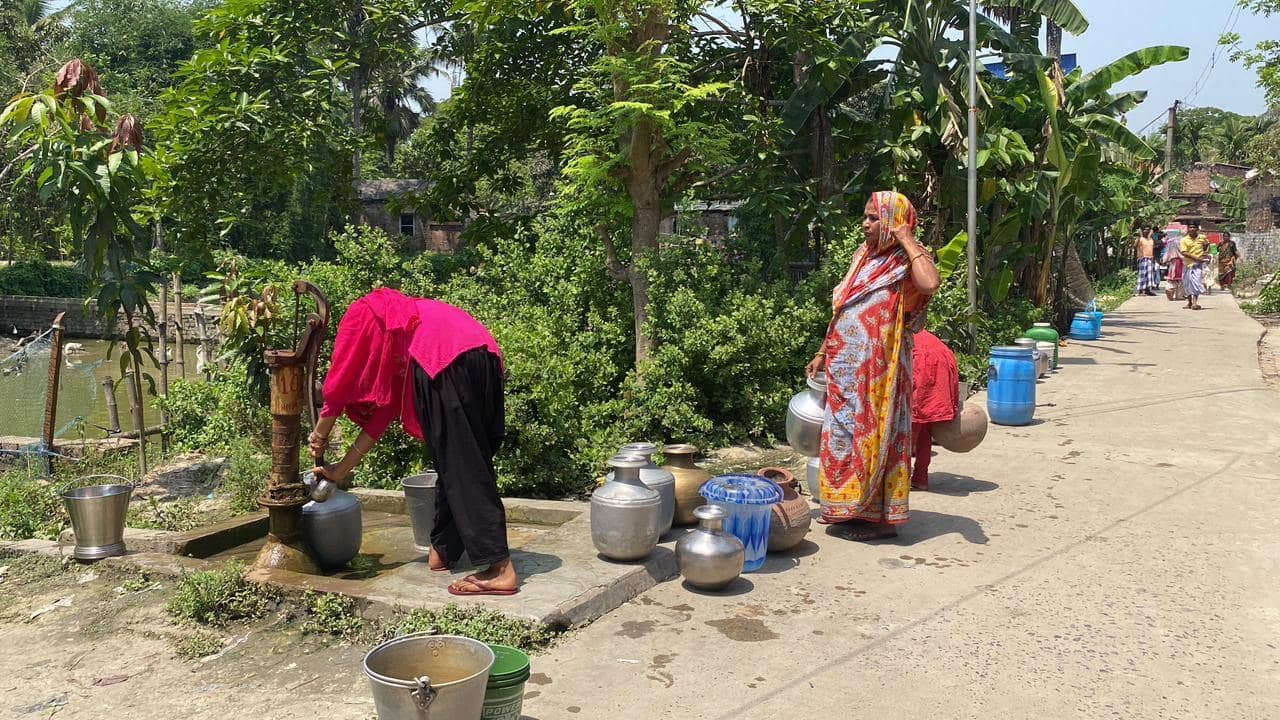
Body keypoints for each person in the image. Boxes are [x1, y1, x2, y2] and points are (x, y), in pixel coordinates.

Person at [310, 287, 517, 596]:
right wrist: (340, 470)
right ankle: (443, 548)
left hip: (442, 359)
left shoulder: (361, 313)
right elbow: (383, 414)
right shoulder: (404, 323)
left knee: (462, 466)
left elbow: (337, 386)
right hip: (484, 357)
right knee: (460, 459)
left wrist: (320, 434)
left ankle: (499, 567)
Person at [804, 191, 940, 539]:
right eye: (865, 217)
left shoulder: (907, 261)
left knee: (879, 438)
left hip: (883, 373)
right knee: (843, 437)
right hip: (845, 371)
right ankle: (846, 508)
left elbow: (931, 284)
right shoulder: (864, 256)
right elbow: (843, 308)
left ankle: (877, 520)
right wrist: (822, 352)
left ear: (893, 222)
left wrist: (907, 239)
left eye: (873, 218)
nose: (864, 224)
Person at [910, 329, 958, 491]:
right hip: (936, 387)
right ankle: (920, 478)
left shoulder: (907, 338)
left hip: (921, 388)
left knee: (907, 436)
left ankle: (899, 480)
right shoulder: (932, 340)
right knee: (925, 432)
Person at [1179, 224, 1209, 310]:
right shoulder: (1184, 240)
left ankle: (1195, 302)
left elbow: (1207, 244)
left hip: (1197, 265)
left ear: (1197, 229)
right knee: (1187, 283)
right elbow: (1184, 252)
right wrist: (1197, 258)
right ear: (1188, 229)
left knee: (1196, 282)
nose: (1192, 229)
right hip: (1187, 264)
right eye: (1190, 227)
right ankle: (1189, 302)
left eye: (1194, 227)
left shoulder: (1202, 238)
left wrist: (1204, 253)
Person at [1135, 227, 1160, 296]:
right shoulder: (1140, 239)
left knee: (1150, 275)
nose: (1147, 231)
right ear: (1142, 231)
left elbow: (1153, 248)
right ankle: (1140, 291)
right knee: (1142, 274)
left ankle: (1147, 290)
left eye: (1148, 230)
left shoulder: (1151, 240)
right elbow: (1135, 245)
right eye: (1145, 229)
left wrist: (1154, 258)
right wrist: (1139, 236)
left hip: (1150, 258)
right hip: (1143, 258)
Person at [1163, 230, 1185, 302]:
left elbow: (1167, 252)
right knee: (1180, 278)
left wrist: (1165, 260)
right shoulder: (1182, 241)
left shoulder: (1171, 241)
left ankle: (1169, 289)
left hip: (1172, 261)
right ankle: (1178, 295)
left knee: (1172, 277)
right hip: (1180, 260)